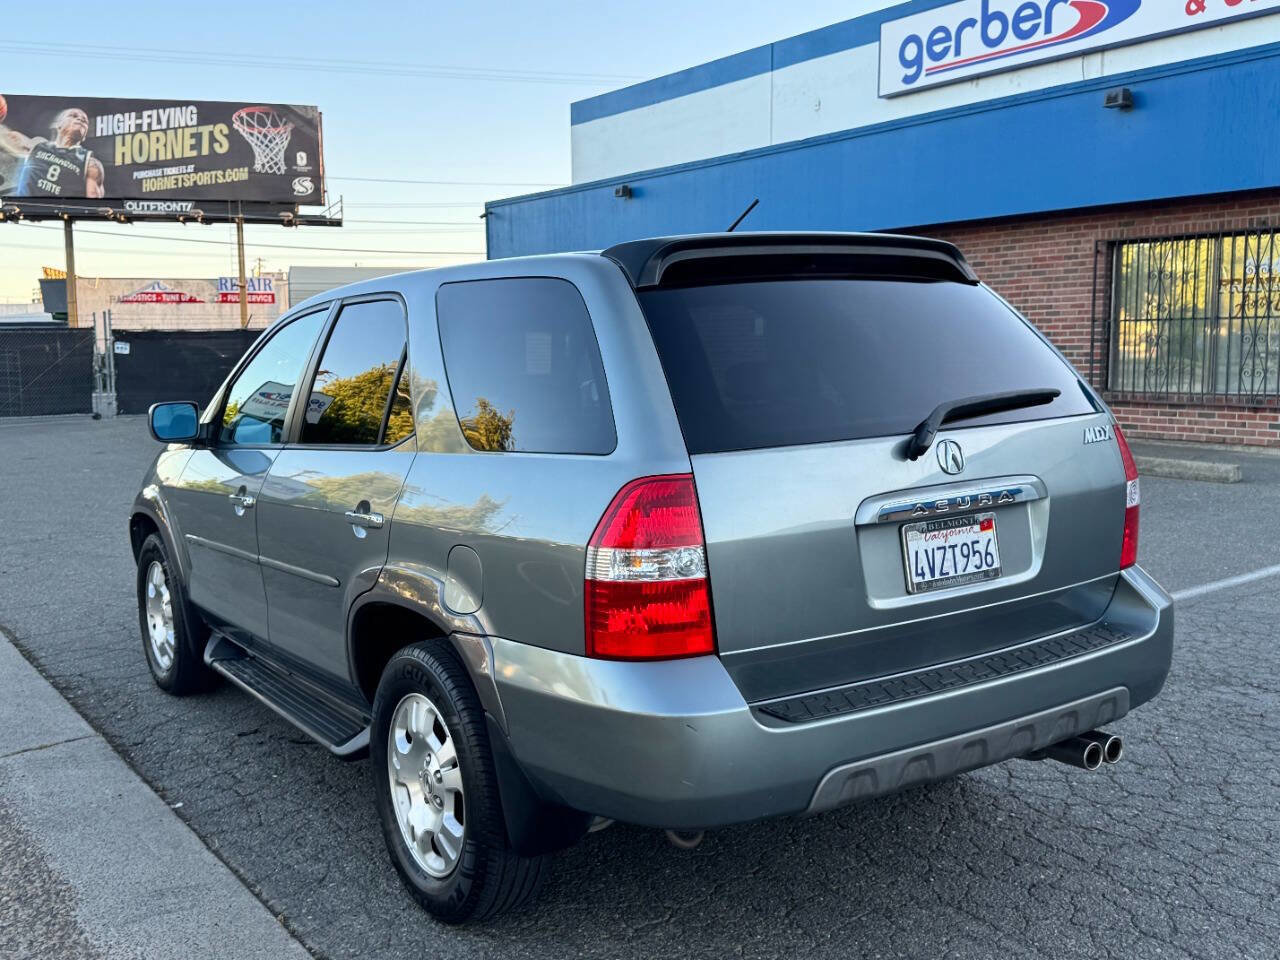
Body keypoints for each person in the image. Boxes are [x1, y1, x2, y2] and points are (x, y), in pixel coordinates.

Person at [0, 107, 105, 198]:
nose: (80, 119)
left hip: (57, 209)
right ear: (58, 125)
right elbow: (6, 135)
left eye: (85, 121)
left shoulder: (91, 164)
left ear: (85, 135)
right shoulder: (38, 145)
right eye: (73, 116)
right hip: (25, 206)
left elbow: (94, 203)